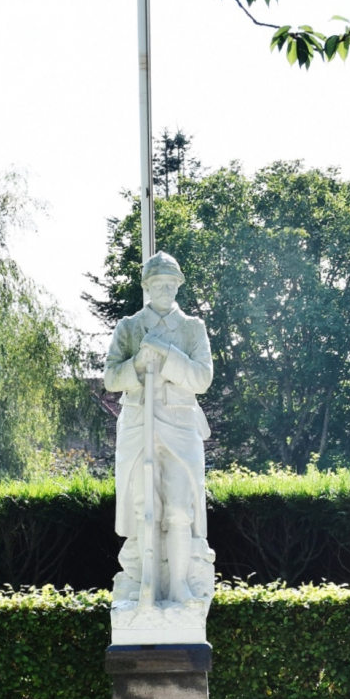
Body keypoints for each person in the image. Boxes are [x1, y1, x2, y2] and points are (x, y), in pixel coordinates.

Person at [104, 251, 213, 605]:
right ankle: (145, 588)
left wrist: (166, 354)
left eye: (172, 283)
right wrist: (138, 362)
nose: (166, 289)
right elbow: (110, 378)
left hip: (180, 427)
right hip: (139, 425)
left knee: (180, 510)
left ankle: (179, 587)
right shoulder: (129, 327)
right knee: (143, 509)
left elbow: (202, 378)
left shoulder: (193, 328)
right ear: (147, 286)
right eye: (159, 284)